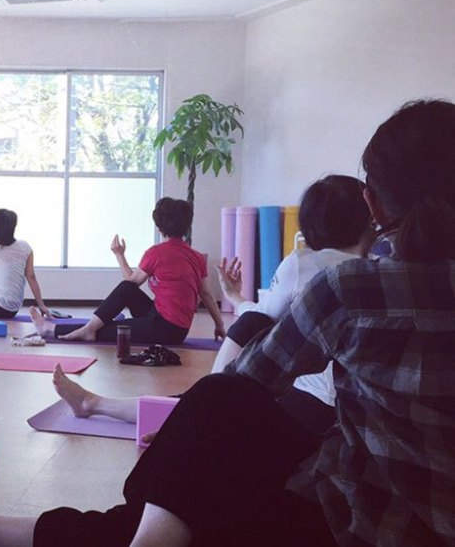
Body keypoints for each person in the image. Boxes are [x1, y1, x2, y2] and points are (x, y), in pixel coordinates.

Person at [0, 99, 455, 546]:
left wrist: (191, 430)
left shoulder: (349, 287)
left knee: (210, 415)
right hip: (190, 338)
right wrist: (224, 310)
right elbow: (212, 304)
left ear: (376, 206)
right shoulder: (204, 257)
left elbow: (242, 377)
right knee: (194, 478)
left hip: (362, 524)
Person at [52, 175, 373, 436]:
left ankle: (93, 393)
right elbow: (210, 296)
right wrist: (228, 306)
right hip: (349, 405)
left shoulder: (304, 262)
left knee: (202, 397)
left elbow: (259, 319)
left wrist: (120, 256)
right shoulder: (377, 271)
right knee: (206, 395)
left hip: (309, 401)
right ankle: (99, 390)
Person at [30, 197, 226, 345]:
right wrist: (219, 325)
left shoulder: (156, 253)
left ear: (158, 227)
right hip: (172, 324)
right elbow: (207, 295)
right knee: (125, 293)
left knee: (111, 330)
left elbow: (130, 282)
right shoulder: (196, 256)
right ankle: (87, 328)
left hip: (166, 330)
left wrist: (119, 255)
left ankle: (51, 330)